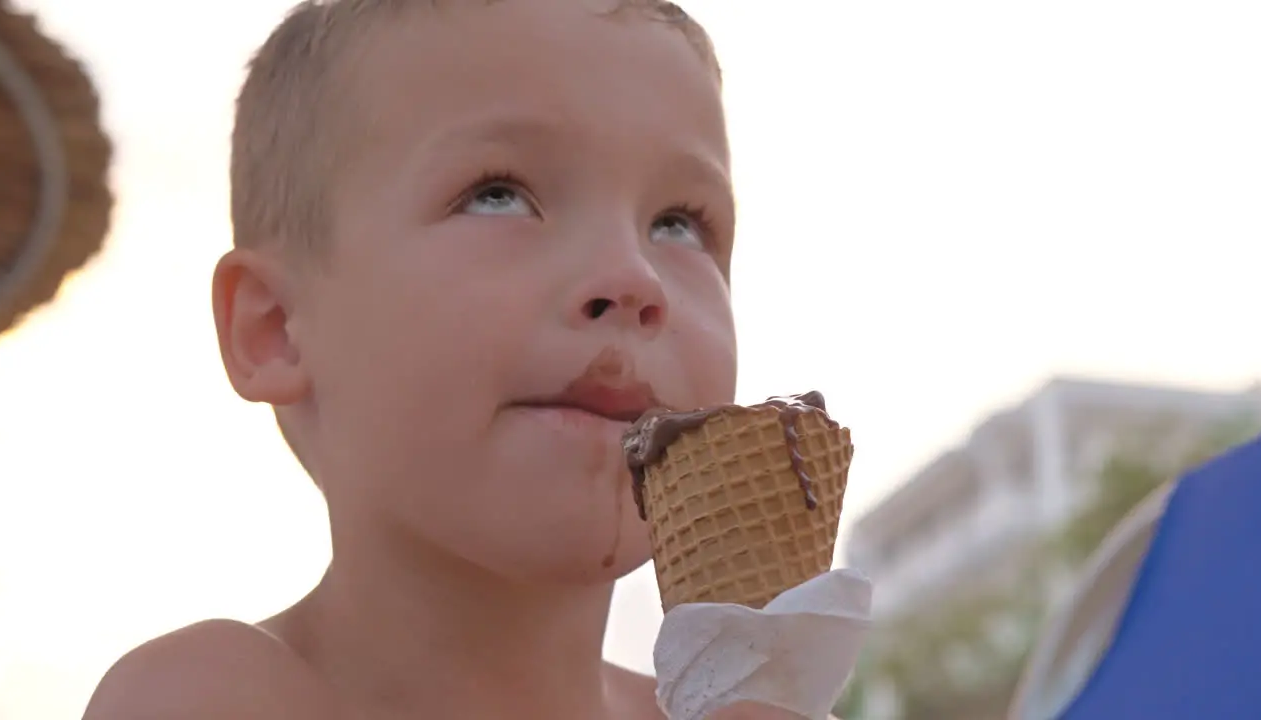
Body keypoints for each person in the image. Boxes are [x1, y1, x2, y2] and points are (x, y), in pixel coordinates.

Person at [83, 1, 838, 717]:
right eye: (499, 195)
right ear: (277, 327)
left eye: (678, 223)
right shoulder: (217, 697)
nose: (633, 278)